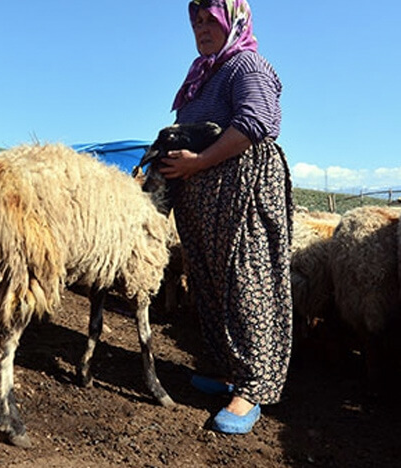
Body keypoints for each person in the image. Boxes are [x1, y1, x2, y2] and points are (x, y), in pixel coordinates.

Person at [160, 0, 293, 434]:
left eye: (209, 19)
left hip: (242, 188)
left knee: (245, 279)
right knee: (209, 281)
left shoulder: (246, 65)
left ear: (232, 20)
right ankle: (224, 368)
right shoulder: (203, 75)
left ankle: (253, 385)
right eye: (195, 20)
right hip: (203, 194)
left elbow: (256, 122)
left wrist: (197, 161)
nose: (200, 27)